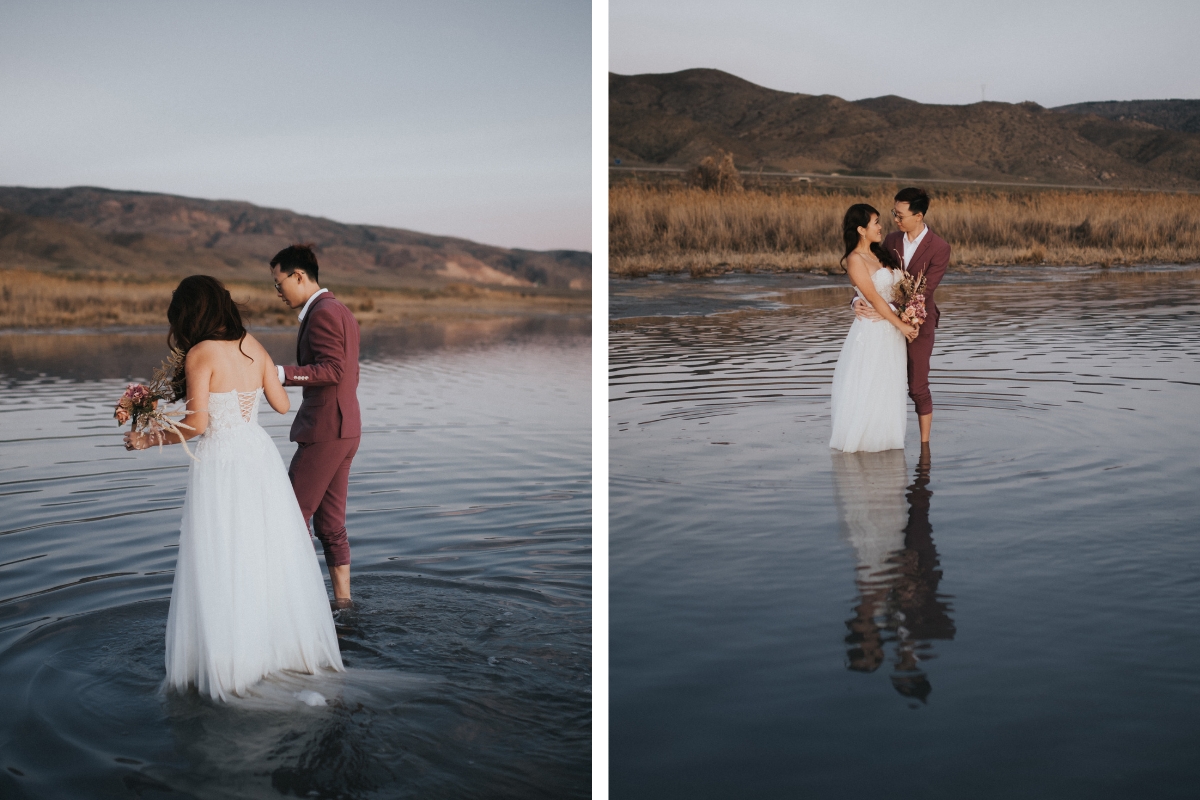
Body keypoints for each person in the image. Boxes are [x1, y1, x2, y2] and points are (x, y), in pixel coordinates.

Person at [124, 275, 343, 701]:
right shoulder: (252, 344)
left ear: (190, 315)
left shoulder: (200, 354)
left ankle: (232, 662)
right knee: (265, 552)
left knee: (223, 553)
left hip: (222, 461)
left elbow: (198, 425)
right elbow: (280, 405)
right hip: (258, 456)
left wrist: (148, 437)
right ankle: (279, 652)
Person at [268, 244, 362, 606]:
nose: (278, 292)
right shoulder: (339, 309)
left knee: (291, 519)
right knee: (329, 526)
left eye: (279, 284)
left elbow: (334, 369)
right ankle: (343, 604)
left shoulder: (323, 312)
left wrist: (279, 374)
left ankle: (299, 608)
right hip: (345, 428)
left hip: (325, 431)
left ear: (299, 276)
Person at [852, 187, 951, 443]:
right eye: (893, 214)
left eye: (900, 215)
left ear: (918, 216)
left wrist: (895, 313)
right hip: (885, 327)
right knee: (884, 383)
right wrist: (855, 300)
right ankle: (881, 438)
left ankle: (924, 447)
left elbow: (924, 290)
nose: (895, 220)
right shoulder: (892, 241)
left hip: (918, 323)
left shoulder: (939, 248)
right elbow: (870, 276)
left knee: (917, 386)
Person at [829, 204, 918, 453]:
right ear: (861, 229)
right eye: (875, 222)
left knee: (889, 385)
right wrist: (902, 325)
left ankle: (888, 440)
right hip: (874, 331)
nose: (880, 227)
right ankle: (867, 441)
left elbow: (892, 293)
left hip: (889, 331)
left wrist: (905, 315)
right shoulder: (854, 259)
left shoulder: (881, 254)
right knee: (871, 383)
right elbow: (874, 298)